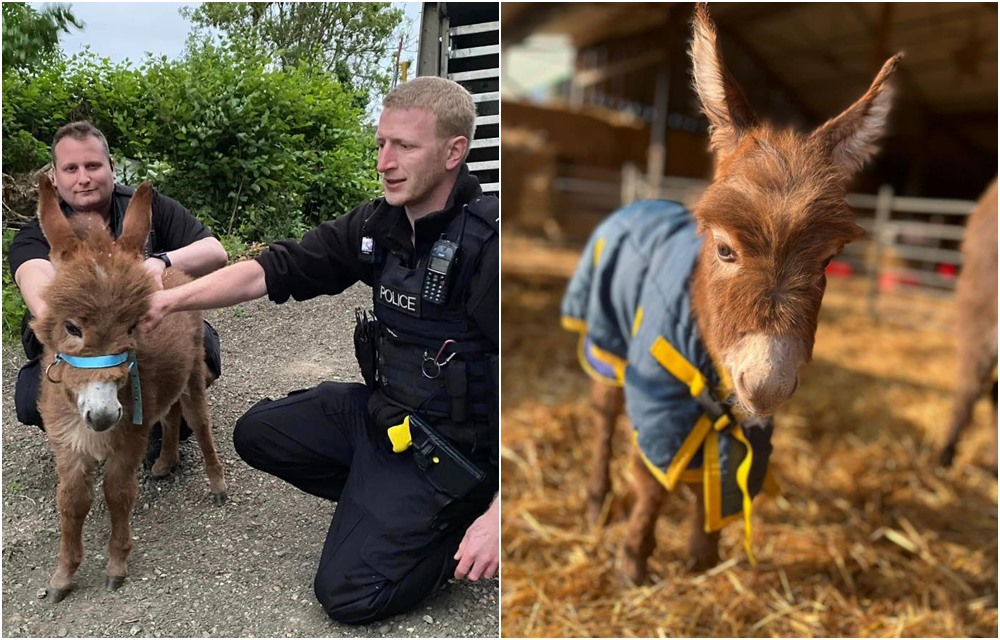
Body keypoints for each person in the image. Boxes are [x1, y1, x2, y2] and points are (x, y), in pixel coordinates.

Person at [143, 75, 500, 625]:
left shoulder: (492, 246)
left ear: (455, 152)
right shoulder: (379, 222)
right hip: (388, 419)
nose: (384, 161)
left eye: (404, 146)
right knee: (258, 433)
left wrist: (504, 515)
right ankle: (383, 502)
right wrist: (170, 300)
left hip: (453, 448)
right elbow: (273, 268)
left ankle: (459, 511)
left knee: (349, 595)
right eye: (381, 143)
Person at [9, 121, 229, 458]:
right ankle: (85, 433)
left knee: (203, 354)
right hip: (77, 346)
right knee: (29, 399)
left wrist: (159, 262)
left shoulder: (152, 206)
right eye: (71, 168)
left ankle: (157, 424)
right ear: (55, 175)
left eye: (93, 165)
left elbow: (216, 253)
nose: (83, 178)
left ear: (111, 167)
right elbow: (34, 282)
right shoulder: (39, 231)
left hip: (144, 334)